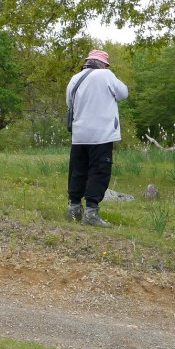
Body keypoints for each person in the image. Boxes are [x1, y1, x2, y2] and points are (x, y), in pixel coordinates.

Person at [66, 49, 129, 227]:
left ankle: (74, 208)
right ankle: (91, 212)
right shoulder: (106, 75)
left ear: (87, 62)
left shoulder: (75, 79)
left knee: (78, 171)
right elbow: (123, 93)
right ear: (103, 64)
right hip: (101, 134)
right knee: (99, 171)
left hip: (79, 134)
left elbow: (69, 104)